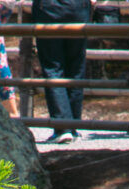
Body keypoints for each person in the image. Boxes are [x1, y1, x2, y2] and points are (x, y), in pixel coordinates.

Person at [31, 0, 92, 142]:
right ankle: (73, 126)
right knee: (76, 66)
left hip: (48, 8)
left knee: (53, 67)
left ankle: (63, 127)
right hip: (78, 7)